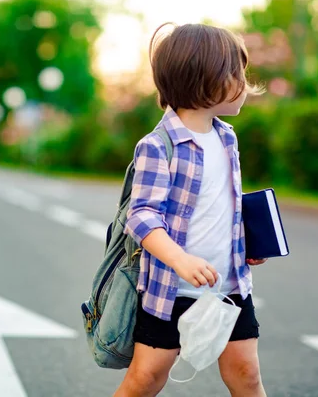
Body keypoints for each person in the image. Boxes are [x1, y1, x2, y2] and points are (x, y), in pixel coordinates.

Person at [114, 23, 268, 397]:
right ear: (205, 79)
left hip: (229, 284)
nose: (245, 83)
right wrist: (181, 260)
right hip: (172, 288)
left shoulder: (226, 138)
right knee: (146, 379)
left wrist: (246, 243)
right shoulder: (158, 145)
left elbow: (222, 204)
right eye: (237, 73)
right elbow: (142, 215)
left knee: (246, 374)